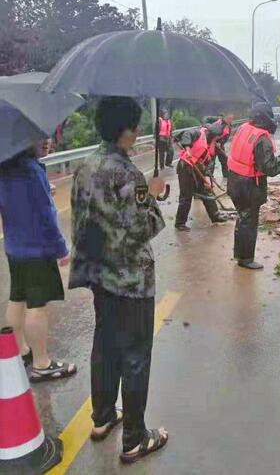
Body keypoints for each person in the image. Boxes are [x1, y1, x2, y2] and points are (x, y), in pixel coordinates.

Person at [69, 97, 168, 464]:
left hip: (99, 275)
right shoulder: (128, 174)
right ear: (123, 130)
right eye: (134, 126)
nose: (138, 132)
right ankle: (135, 439)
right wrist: (154, 196)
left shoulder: (85, 166)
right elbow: (146, 226)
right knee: (136, 355)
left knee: (105, 346)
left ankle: (103, 417)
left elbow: (81, 223)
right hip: (131, 281)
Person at [0, 139, 77, 382]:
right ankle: (42, 363)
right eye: (39, 138)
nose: (46, 142)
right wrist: (61, 248)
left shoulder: (4, 167)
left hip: (14, 246)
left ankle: (21, 350)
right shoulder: (31, 170)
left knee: (17, 297)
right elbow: (46, 213)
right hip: (37, 247)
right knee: (37, 304)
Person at [227, 103, 280, 270]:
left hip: (234, 181)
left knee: (243, 218)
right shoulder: (262, 138)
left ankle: (240, 255)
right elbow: (269, 167)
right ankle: (246, 259)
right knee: (249, 222)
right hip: (248, 186)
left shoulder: (244, 128)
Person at [174, 122, 229, 231]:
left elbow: (209, 162)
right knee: (186, 196)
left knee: (206, 191)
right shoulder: (198, 133)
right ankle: (180, 223)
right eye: (216, 138)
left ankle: (215, 216)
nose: (216, 141)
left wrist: (207, 176)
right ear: (212, 135)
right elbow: (186, 134)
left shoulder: (211, 144)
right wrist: (188, 149)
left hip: (198, 168)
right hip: (185, 166)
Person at [213, 114, 234, 178]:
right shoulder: (218, 124)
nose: (230, 120)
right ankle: (210, 176)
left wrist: (220, 143)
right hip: (212, 145)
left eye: (231, 119)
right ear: (224, 118)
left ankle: (226, 175)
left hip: (220, 146)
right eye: (228, 118)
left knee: (224, 160)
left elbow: (226, 138)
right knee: (212, 161)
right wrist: (215, 142)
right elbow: (212, 133)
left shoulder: (229, 127)